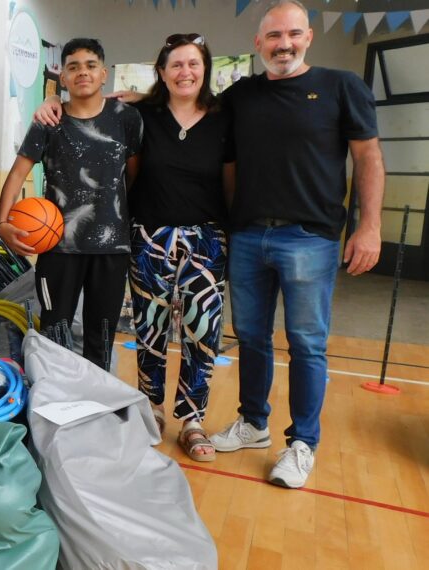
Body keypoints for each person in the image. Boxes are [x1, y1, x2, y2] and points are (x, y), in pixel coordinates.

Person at [209, 0, 384, 489]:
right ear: (257, 43)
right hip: (247, 235)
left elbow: (368, 158)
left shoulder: (341, 86)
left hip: (310, 237)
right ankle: (253, 424)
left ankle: (303, 442)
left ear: (308, 37)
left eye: (292, 34)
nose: (283, 44)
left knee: (307, 343)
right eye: (273, 36)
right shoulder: (241, 95)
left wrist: (368, 226)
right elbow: (190, 107)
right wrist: (136, 99)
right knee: (250, 336)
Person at [40, 34, 231, 461]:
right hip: (149, 236)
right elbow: (128, 173)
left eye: (193, 64)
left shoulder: (223, 118)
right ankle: (153, 408)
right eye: (175, 65)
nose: (185, 72)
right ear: (161, 72)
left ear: (205, 69)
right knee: (150, 332)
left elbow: (231, 180)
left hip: (207, 238)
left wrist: (228, 234)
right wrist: (49, 102)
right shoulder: (142, 114)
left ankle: (193, 419)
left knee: (202, 333)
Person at [0, 38, 143, 370]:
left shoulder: (127, 118)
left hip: (111, 248)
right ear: (62, 78)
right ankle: (54, 406)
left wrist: (113, 212)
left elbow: (133, 176)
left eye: (90, 65)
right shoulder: (49, 120)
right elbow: (19, 172)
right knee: (54, 335)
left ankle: (95, 406)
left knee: (101, 337)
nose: (82, 73)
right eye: (73, 67)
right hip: (57, 247)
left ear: (104, 74)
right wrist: (2, 223)